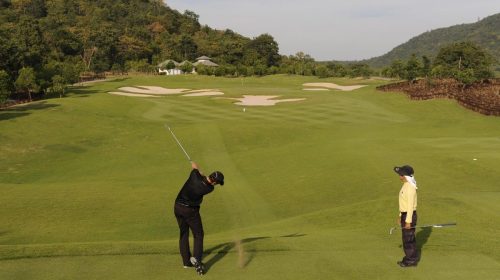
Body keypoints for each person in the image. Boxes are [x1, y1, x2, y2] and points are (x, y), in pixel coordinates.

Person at [174, 161, 224, 275]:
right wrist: (199, 172)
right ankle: (197, 259)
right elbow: (204, 180)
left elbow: (196, 170)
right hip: (190, 211)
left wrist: (195, 166)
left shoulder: (193, 176)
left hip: (177, 207)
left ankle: (186, 262)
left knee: (184, 233)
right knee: (198, 234)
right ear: (215, 182)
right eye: (218, 183)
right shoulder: (209, 189)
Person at [394, 165, 419, 267]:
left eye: (402, 175)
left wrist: (408, 221)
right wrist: (400, 215)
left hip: (409, 215)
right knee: (406, 238)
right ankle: (409, 258)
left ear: (406, 176)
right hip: (405, 215)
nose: (400, 177)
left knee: (408, 239)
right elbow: (403, 203)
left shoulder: (410, 188)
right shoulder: (405, 184)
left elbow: (409, 206)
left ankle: (411, 260)